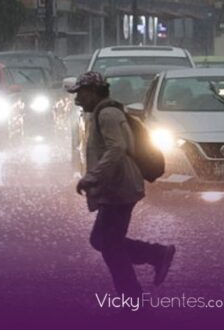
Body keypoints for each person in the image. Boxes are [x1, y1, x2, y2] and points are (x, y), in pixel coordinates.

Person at [69, 71, 176, 300]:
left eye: (81, 94)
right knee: (103, 241)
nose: (77, 100)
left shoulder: (107, 114)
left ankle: (136, 292)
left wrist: (92, 177)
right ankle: (153, 259)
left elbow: (116, 149)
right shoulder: (105, 112)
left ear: (95, 92)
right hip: (117, 186)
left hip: (120, 188)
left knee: (109, 246)